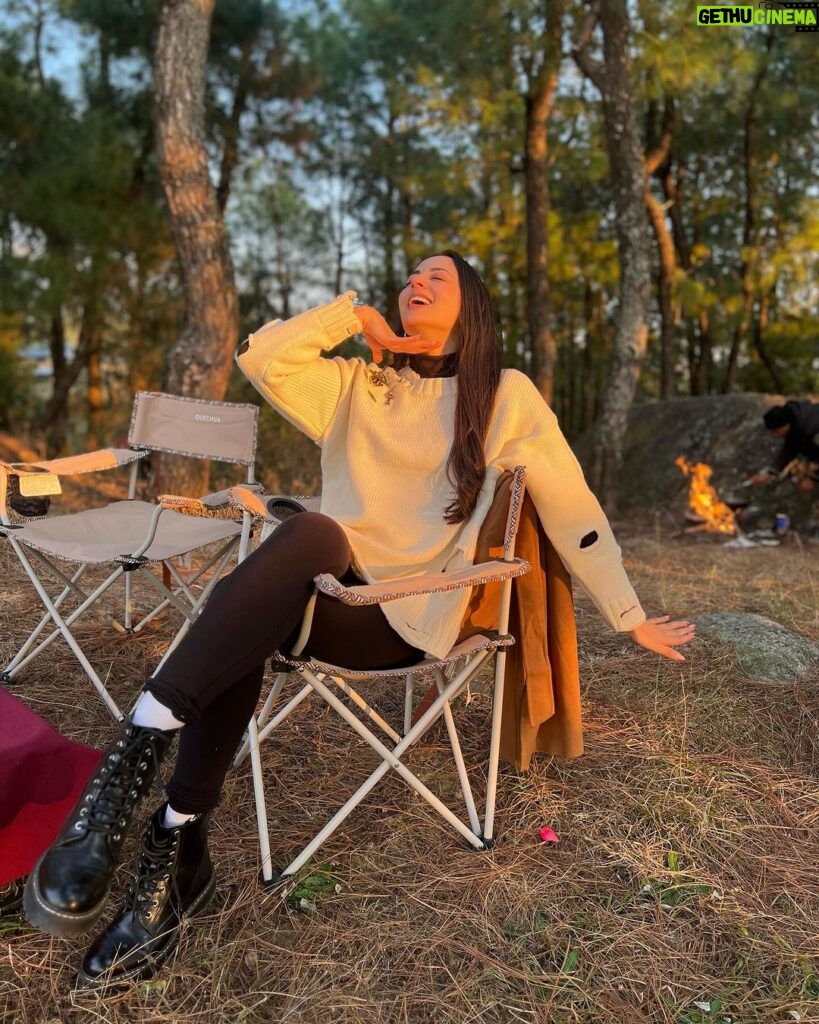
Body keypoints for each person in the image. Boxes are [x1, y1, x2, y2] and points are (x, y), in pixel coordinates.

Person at [23, 251, 695, 986]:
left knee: (296, 544)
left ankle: (128, 783)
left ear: (471, 307)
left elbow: (571, 504)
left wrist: (626, 613)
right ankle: (173, 846)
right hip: (322, 596)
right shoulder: (356, 384)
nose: (416, 283)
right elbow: (262, 359)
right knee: (284, 571)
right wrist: (353, 318)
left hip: (398, 617)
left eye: (438, 277)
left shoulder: (505, 394)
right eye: (409, 275)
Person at [750, 400, 819, 493]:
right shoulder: (796, 424)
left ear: (785, 425)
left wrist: (813, 478)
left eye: (776, 431)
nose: (775, 435)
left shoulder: (812, 427)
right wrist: (770, 472)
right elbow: (790, 448)